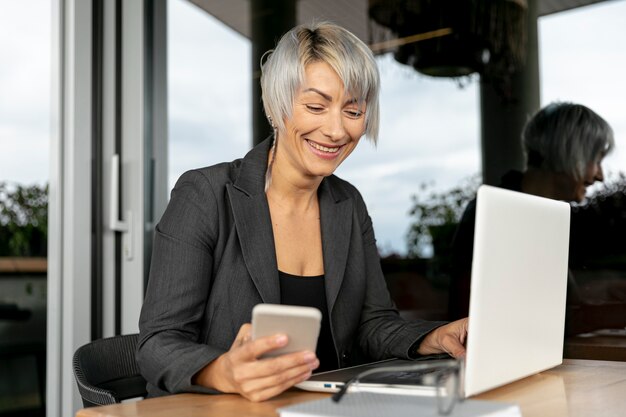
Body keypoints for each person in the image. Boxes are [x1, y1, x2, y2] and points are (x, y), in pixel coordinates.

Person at [136, 21, 468, 402]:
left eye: (353, 110)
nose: (335, 130)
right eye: (315, 106)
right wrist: (222, 370)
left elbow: (373, 324)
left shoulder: (349, 205)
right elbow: (158, 343)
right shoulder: (206, 195)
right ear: (277, 106)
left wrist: (434, 337)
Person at [448, 102, 625, 335]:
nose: (600, 176)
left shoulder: (544, 215)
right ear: (569, 153)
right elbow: (491, 321)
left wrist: (606, 291)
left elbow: (557, 307)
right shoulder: (497, 213)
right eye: (596, 160)